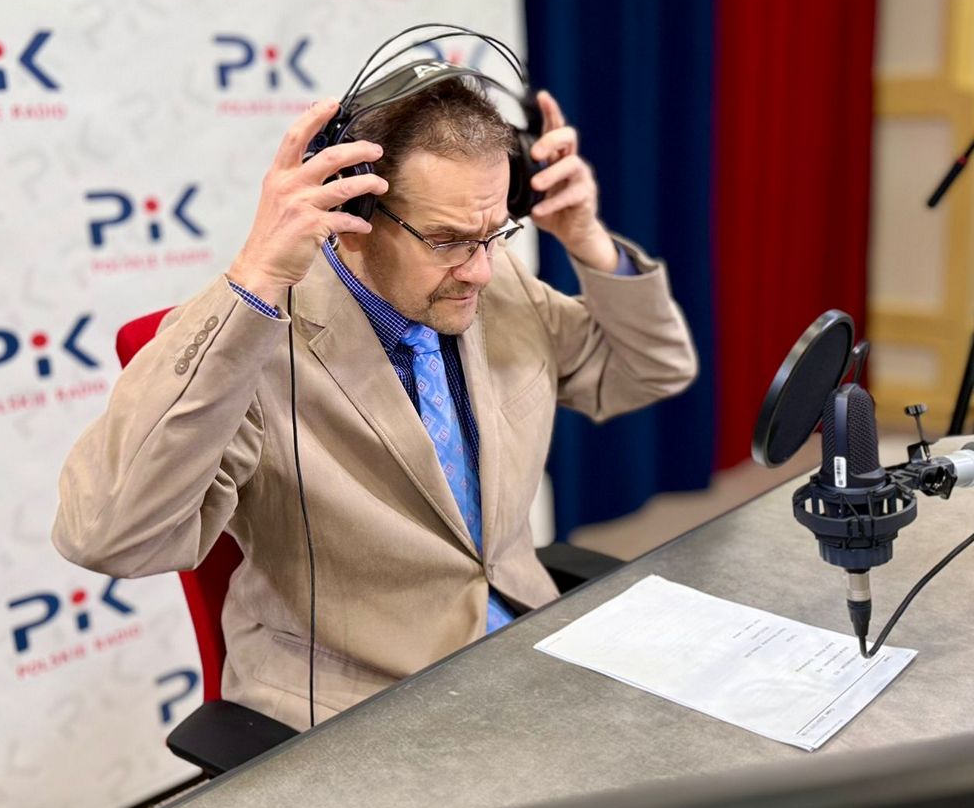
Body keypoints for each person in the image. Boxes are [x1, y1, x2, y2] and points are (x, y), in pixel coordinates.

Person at [52, 73, 697, 731]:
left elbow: (651, 370)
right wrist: (255, 278)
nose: (478, 268)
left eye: (494, 233)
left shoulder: (494, 280)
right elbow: (110, 538)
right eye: (447, 240)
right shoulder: (255, 346)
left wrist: (589, 242)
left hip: (520, 643)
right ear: (355, 217)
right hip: (357, 707)